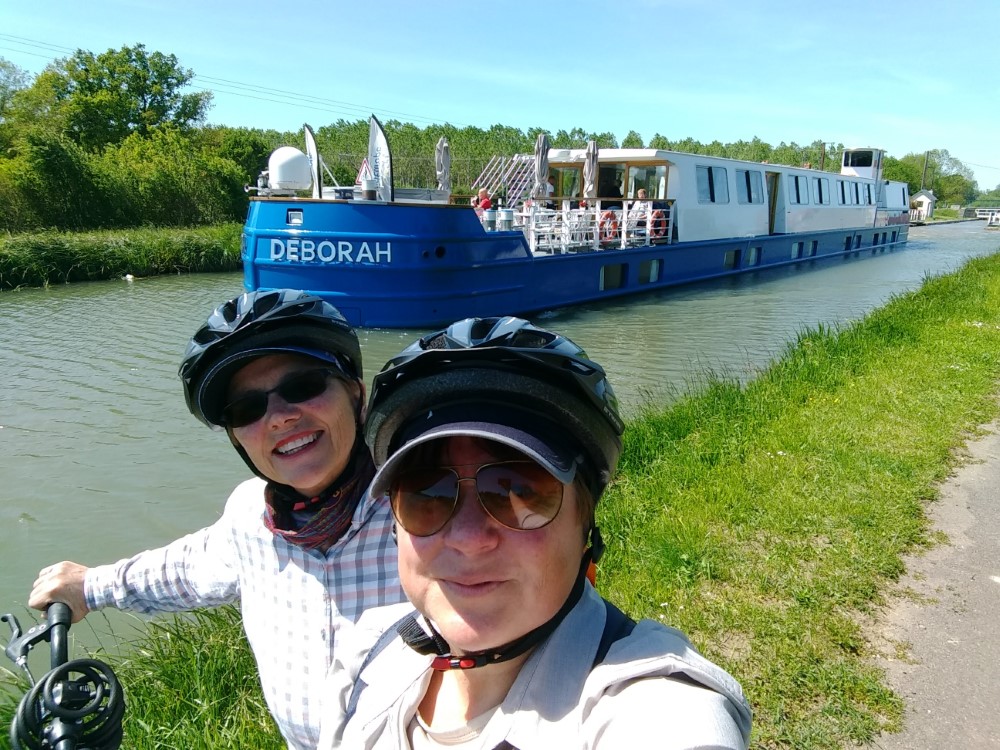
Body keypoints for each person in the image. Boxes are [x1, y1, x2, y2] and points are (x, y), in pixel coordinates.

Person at [320, 317, 752, 749]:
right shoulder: (366, 652)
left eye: (519, 492)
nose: (468, 538)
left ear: (585, 524)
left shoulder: (650, 702)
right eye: (426, 492)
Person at [28, 289, 406, 750]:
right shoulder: (250, 516)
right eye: (247, 409)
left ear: (355, 391)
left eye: (302, 386)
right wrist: (90, 586)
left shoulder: (425, 504)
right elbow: (186, 568)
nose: (280, 418)